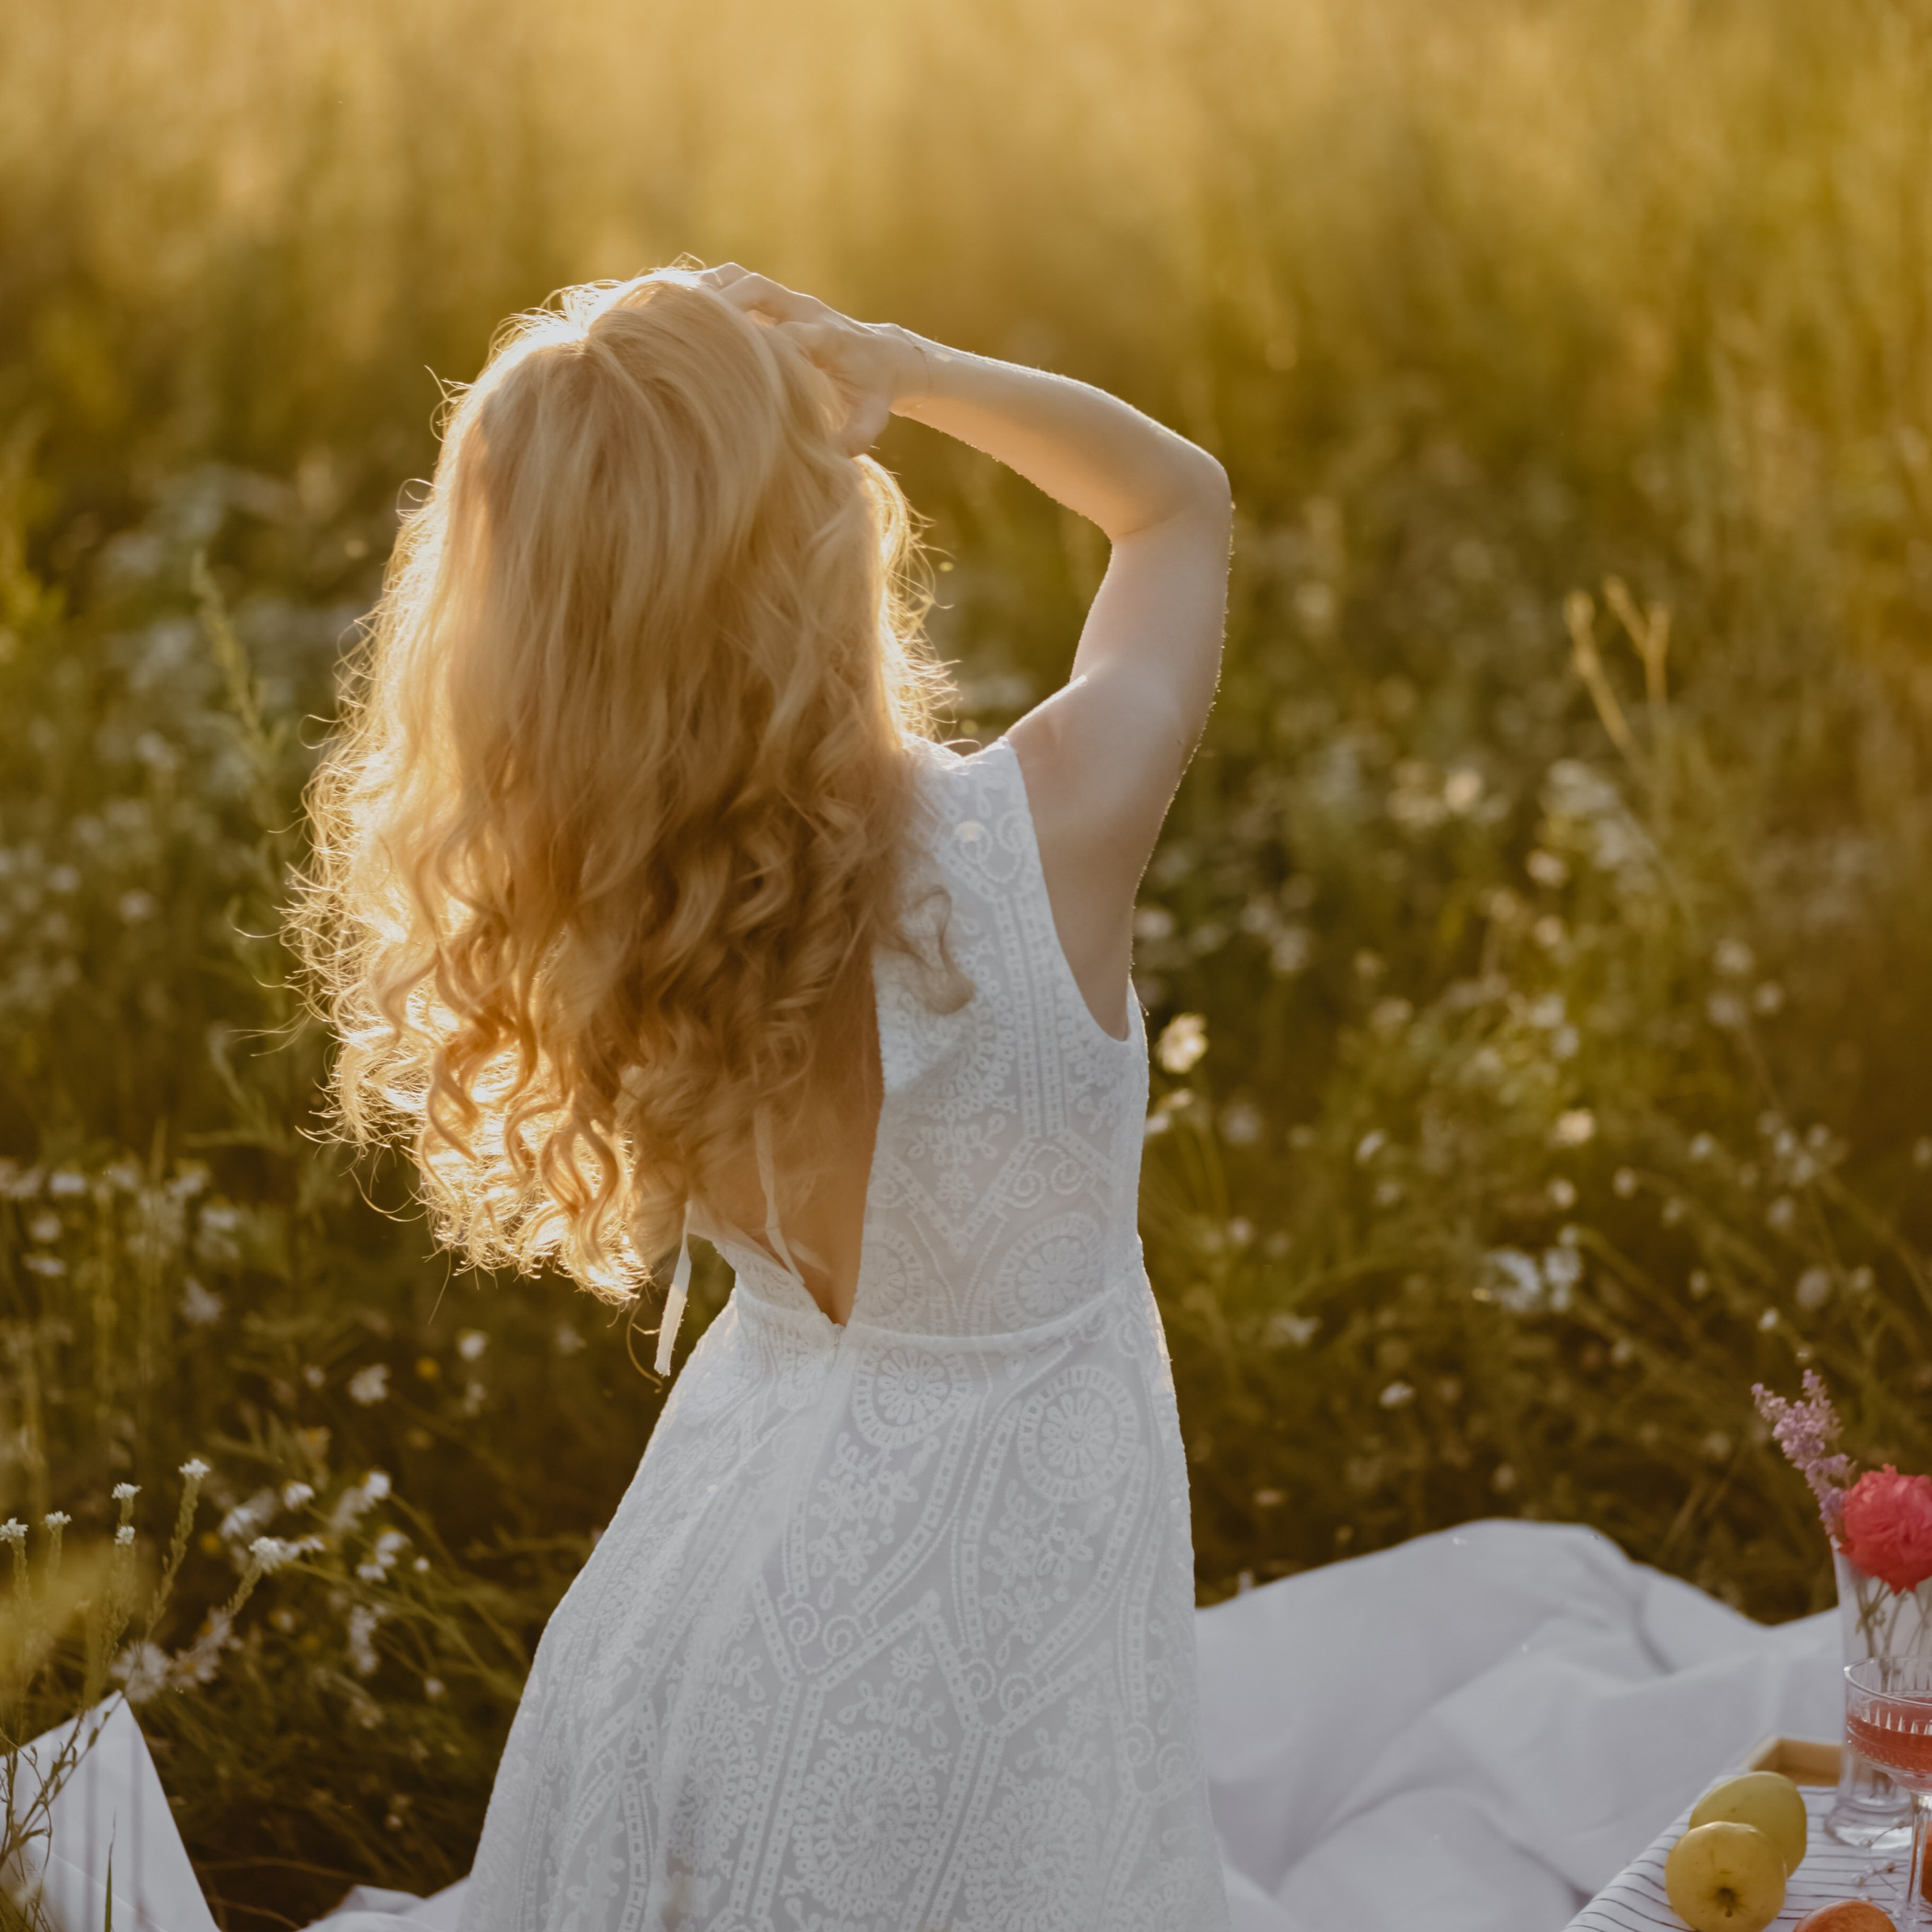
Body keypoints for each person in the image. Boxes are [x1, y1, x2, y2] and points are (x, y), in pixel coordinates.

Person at [294, 262, 1232, 1931]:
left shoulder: (609, 914)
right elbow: (1174, 507)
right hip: (994, 1577)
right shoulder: (1044, 837)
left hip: (726, 1568)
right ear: (829, 549)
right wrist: (913, 364)